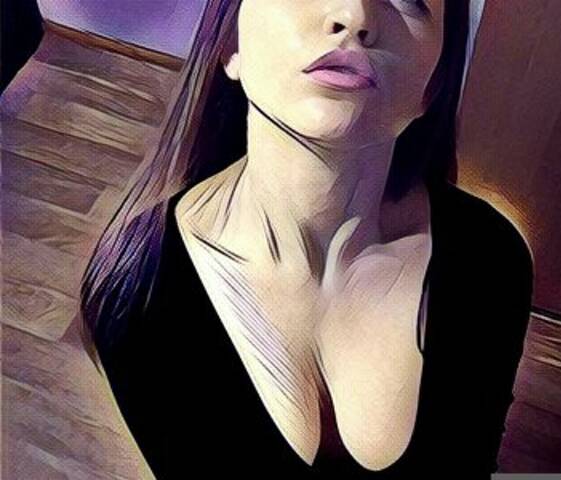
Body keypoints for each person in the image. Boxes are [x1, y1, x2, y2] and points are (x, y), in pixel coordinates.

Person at [80, 0, 534, 478]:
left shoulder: (490, 263)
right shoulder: (135, 293)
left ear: (435, 83)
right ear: (230, 43)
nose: (355, 15)